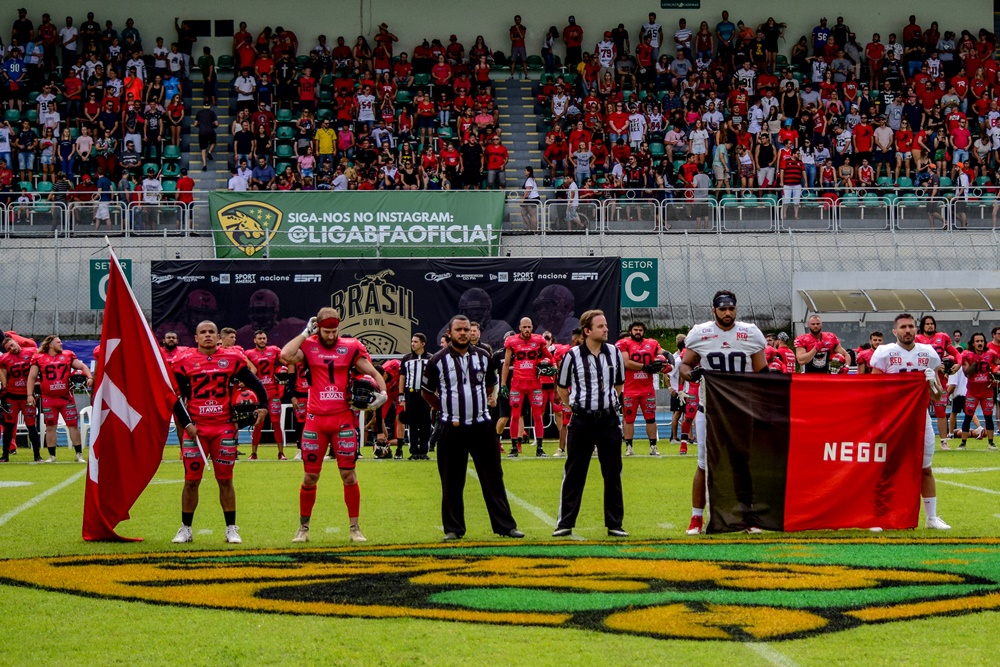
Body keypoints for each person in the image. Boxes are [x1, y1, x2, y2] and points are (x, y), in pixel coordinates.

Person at [280, 308, 387, 544]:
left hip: (342, 419)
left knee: (349, 475)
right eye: (326, 331)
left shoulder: (349, 346)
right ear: (318, 327)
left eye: (334, 330)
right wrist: (306, 332)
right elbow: (285, 355)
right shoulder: (308, 344)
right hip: (315, 420)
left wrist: (384, 394)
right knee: (310, 477)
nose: (330, 336)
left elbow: (372, 370)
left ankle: (355, 527)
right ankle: (303, 528)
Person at [421, 315, 524, 541]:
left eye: (466, 329)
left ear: (472, 332)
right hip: (451, 427)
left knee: (493, 478)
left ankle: (505, 526)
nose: (463, 333)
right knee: (451, 481)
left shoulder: (484, 356)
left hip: (481, 426)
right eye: (458, 330)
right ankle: (453, 529)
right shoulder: (437, 360)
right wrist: (445, 408)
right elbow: (426, 391)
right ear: (449, 333)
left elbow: (490, 385)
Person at [170, 321, 268, 544]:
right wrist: (187, 424)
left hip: (223, 427)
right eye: (202, 332)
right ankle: (185, 528)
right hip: (196, 429)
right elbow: (173, 396)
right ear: (195, 338)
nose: (207, 336)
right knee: (191, 480)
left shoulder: (232, 359)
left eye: (211, 332)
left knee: (225, 480)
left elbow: (256, 383)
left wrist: (263, 405)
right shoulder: (183, 361)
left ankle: (231, 528)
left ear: (218, 337)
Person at [678, 291, 767, 536]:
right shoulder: (701, 333)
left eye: (731, 308)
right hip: (710, 411)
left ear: (736, 309)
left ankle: (747, 516)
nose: (727, 313)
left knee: (743, 464)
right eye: (722, 309)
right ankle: (696, 517)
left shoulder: (750, 333)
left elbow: (762, 372)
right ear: (713, 310)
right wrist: (690, 374)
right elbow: (685, 365)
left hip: (741, 410)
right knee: (704, 465)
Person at [870, 313, 951, 530]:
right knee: (885, 468)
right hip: (891, 417)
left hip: (919, 417)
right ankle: (879, 516)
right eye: (903, 327)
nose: (908, 330)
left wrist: (931, 382)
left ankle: (931, 518)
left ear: (916, 329)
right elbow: (873, 389)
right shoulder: (885, 352)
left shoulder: (928, 353)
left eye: (911, 326)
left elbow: (936, 395)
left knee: (925, 467)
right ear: (895, 331)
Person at [553, 309, 628, 538]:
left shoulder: (615, 353)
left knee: (613, 472)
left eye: (605, 325)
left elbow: (619, 385)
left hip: (607, 420)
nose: (606, 329)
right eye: (601, 326)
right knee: (575, 472)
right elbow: (562, 387)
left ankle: (615, 524)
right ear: (587, 331)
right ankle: (565, 522)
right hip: (582, 420)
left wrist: (607, 404)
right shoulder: (572, 355)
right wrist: (575, 407)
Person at [26, 335, 93, 463]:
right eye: (58, 342)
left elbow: (83, 367)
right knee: (50, 426)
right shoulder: (39, 357)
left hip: (66, 397)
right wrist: (30, 395)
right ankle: (52, 456)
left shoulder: (67, 355)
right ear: (50, 344)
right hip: (48, 398)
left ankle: (79, 454)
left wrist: (89, 377)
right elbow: (32, 377)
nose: (61, 344)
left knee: (73, 425)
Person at [501, 317, 554, 458]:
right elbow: (506, 364)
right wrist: (503, 384)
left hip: (534, 383)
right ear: (519, 327)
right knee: (515, 415)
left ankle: (540, 448)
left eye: (529, 327)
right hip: (517, 383)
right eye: (524, 327)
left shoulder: (538, 340)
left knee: (537, 415)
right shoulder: (512, 341)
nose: (527, 330)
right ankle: (513, 447)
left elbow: (550, 357)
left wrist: (553, 366)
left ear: (532, 327)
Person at [616, 321, 670, 456]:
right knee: (629, 419)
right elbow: (626, 362)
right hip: (630, 388)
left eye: (640, 330)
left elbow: (661, 352)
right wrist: (645, 367)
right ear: (630, 331)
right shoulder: (624, 343)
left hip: (647, 389)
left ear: (644, 332)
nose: (638, 332)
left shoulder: (651, 343)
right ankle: (629, 446)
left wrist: (669, 357)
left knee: (651, 418)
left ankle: (653, 446)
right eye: (635, 329)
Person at [0, 334, 42, 462]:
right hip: (12, 396)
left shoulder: (32, 352)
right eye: (8, 348)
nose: (11, 349)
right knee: (9, 426)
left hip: (27, 396)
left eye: (12, 345)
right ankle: (5, 455)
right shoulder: (5, 359)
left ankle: (37, 455)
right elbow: (3, 377)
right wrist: (4, 392)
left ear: (16, 342)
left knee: (31, 426)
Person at [246, 330, 286, 460]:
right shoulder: (249, 353)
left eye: (264, 338)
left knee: (276, 423)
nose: (262, 340)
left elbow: (285, 361)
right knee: (258, 423)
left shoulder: (274, 350)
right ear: (255, 340)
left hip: (273, 391)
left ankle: (281, 453)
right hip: (258, 393)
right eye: (260, 338)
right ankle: (254, 453)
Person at [960, 333, 998, 451]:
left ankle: (991, 443)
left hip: (987, 390)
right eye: (977, 341)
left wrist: (995, 375)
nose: (980, 343)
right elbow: (967, 373)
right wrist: (976, 362)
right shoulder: (967, 355)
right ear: (972, 343)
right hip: (973, 391)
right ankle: (963, 443)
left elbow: (997, 365)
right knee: (968, 416)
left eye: (981, 341)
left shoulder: (991, 354)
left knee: (988, 417)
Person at [399, 333, 432, 460]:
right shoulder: (407, 358)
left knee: (425, 423)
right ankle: (413, 451)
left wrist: (434, 393)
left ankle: (423, 451)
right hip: (411, 394)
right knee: (412, 422)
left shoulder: (430, 358)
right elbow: (402, 377)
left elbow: (434, 377)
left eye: (416, 342)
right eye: (412, 341)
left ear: (423, 344)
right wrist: (401, 396)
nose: (413, 344)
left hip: (425, 393)